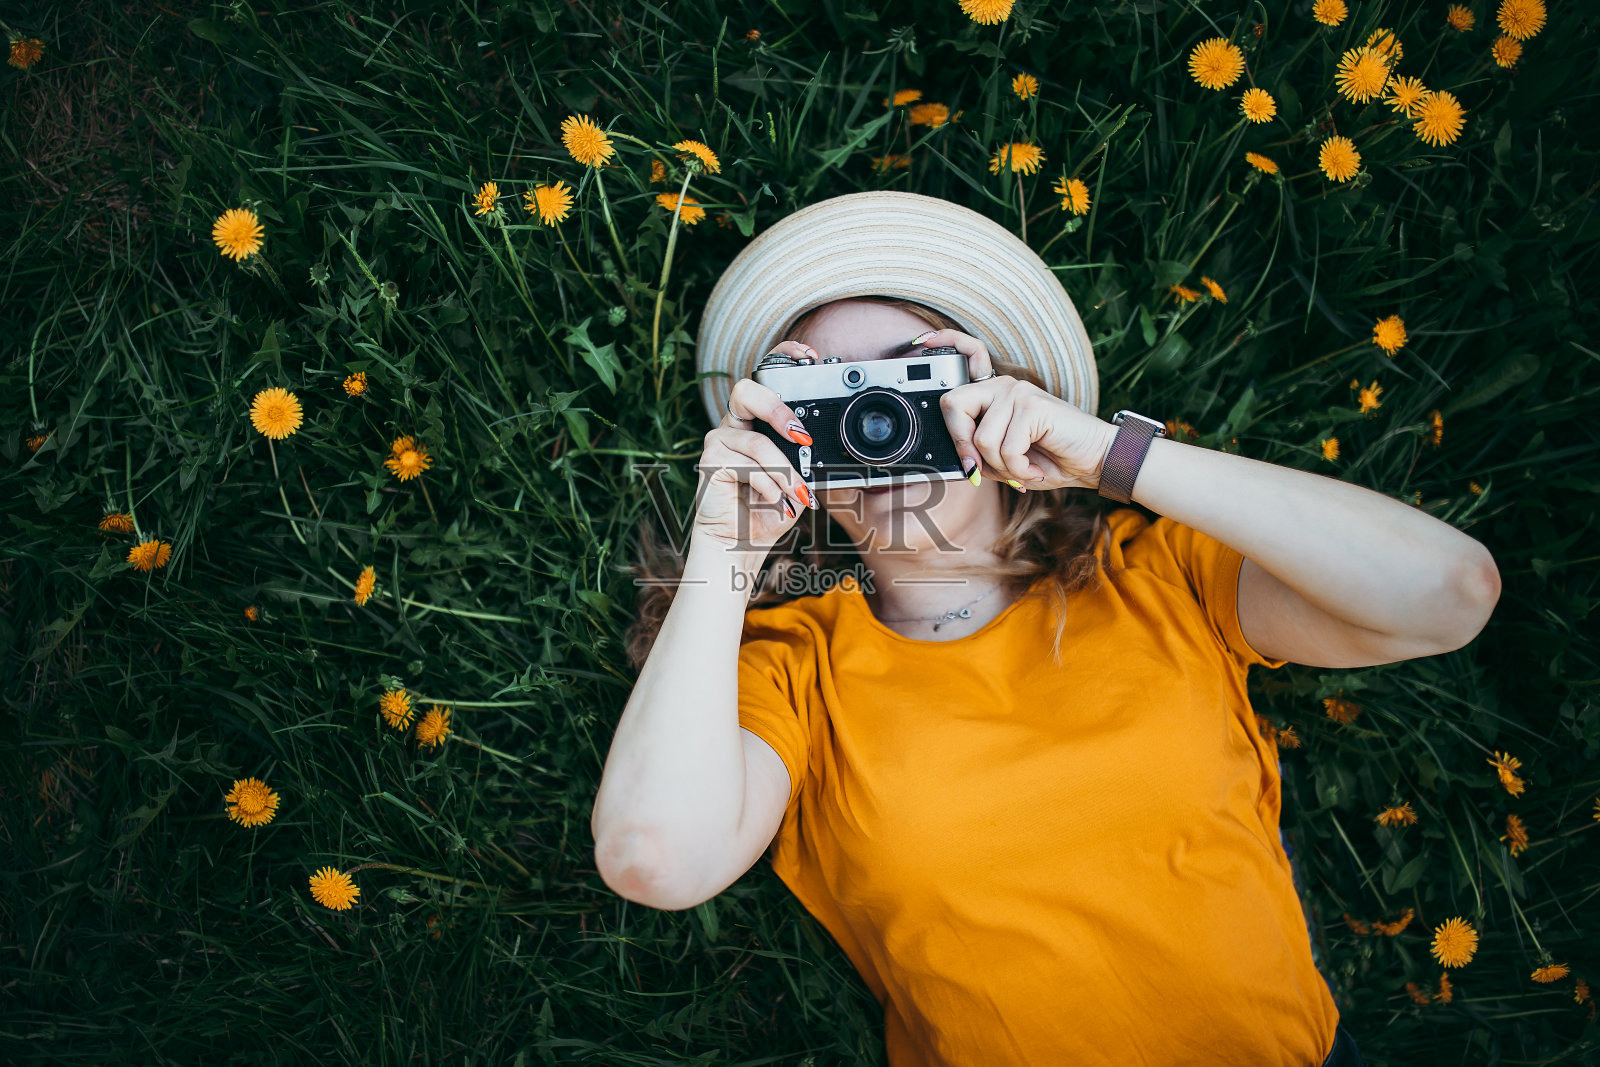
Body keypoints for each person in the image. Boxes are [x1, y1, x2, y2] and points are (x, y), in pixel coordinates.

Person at [591, 192, 1498, 1066]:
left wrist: (1110, 455)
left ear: (991, 396)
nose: (877, 421)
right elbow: (652, 858)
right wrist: (727, 541)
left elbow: (1450, 592)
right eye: (831, 398)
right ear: (793, 443)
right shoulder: (794, 672)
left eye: (912, 379)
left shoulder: (1158, 576)